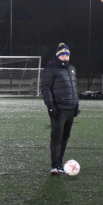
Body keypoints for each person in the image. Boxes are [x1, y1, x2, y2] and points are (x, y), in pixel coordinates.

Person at [41, 43, 80, 174]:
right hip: (59, 109)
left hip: (71, 109)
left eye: (67, 54)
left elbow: (74, 88)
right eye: (62, 54)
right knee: (56, 137)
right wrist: (50, 105)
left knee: (65, 137)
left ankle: (60, 164)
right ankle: (54, 166)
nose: (65, 56)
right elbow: (45, 88)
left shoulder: (72, 68)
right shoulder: (50, 69)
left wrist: (76, 104)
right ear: (58, 55)